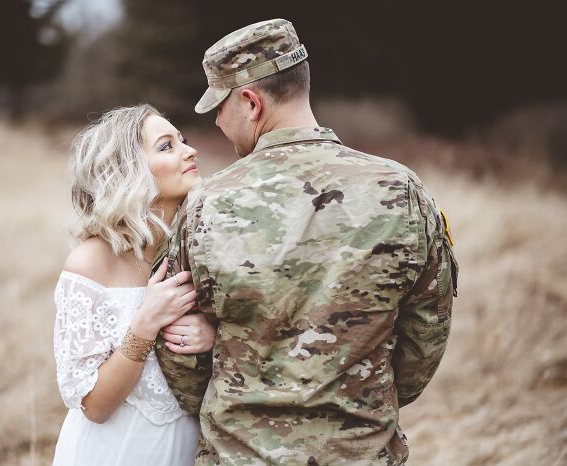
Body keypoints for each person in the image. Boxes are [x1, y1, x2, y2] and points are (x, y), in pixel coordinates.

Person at [153, 18, 459, 466]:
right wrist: (360, 403)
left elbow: (178, 348)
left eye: (219, 106)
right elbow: (426, 334)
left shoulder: (207, 205)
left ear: (250, 103)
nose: (216, 120)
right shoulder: (403, 190)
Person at [51, 104, 217, 466]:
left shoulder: (204, 248)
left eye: (182, 140)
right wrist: (144, 325)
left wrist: (214, 338)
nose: (190, 151)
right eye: (166, 146)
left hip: (190, 449)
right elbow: (94, 406)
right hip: (117, 451)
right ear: (128, 171)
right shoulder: (91, 262)